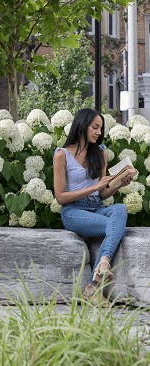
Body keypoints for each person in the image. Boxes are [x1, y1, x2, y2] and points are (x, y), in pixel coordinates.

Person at [53, 108, 132, 305]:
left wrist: (117, 185)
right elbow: (60, 196)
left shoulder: (101, 152)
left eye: (101, 128)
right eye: (95, 127)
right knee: (114, 225)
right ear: (82, 125)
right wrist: (95, 186)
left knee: (120, 209)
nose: (98, 132)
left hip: (96, 207)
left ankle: (98, 275)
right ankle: (97, 281)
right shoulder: (62, 155)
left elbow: (102, 194)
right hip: (73, 211)